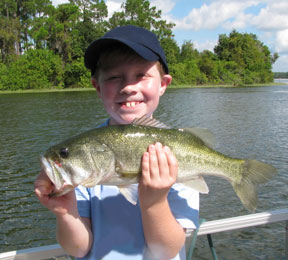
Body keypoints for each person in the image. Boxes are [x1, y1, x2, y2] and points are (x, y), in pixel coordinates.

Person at [34, 25, 199, 260]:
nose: (129, 87)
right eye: (114, 77)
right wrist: (66, 212)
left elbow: (165, 252)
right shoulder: (85, 165)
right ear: (97, 87)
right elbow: (78, 248)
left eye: (141, 75)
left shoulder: (176, 152)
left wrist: (154, 202)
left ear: (163, 84)